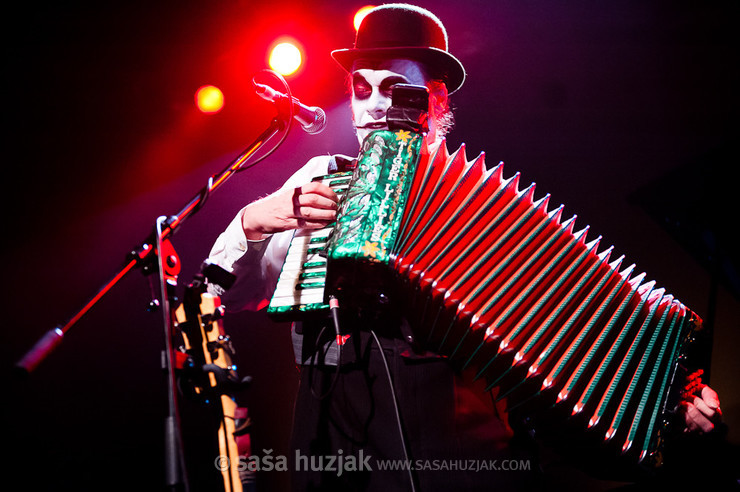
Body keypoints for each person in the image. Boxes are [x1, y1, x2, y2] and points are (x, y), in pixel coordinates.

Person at [207, 4, 723, 491]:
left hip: (457, 446)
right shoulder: (319, 181)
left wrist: (672, 400)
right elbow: (228, 292)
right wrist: (251, 221)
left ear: (435, 100)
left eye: (394, 89)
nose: (373, 105)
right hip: (335, 435)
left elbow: (580, 341)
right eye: (360, 89)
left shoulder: (484, 209)